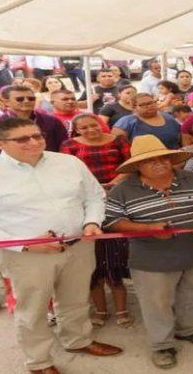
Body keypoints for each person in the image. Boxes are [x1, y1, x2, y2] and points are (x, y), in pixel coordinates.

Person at [0, 117, 123, 373]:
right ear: (0, 144)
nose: (34, 142)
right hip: (25, 257)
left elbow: (95, 196)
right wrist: (25, 246)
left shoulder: (69, 162)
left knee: (76, 300)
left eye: (37, 135)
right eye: (22, 139)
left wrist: (92, 222)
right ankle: (39, 361)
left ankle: (77, 340)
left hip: (78, 245)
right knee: (32, 310)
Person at [105, 135, 193, 369]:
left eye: (163, 158)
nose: (159, 163)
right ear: (138, 166)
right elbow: (112, 222)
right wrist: (147, 229)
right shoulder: (122, 190)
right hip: (150, 259)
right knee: (156, 303)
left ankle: (188, 331)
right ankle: (162, 345)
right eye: (150, 161)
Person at [59, 114, 132, 329]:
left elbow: (129, 164)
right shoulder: (69, 145)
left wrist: (114, 182)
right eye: (84, 127)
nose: (91, 130)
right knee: (92, 261)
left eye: (94, 125)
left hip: (116, 194)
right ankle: (100, 309)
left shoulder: (118, 140)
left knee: (113, 258)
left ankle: (121, 309)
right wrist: (92, 189)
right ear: (77, 130)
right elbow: (67, 172)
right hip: (84, 200)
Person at [0, 85, 68, 156]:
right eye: (20, 99)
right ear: (6, 102)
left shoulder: (52, 121)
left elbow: (64, 147)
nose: (27, 101)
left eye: (31, 98)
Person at [112, 93, 181, 149]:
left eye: (151, 103)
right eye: (143, 105)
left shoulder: (169, 118)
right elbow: (117, 146)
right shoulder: (126, 122)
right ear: (134, 107)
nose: (149, 106)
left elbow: (181, 139)